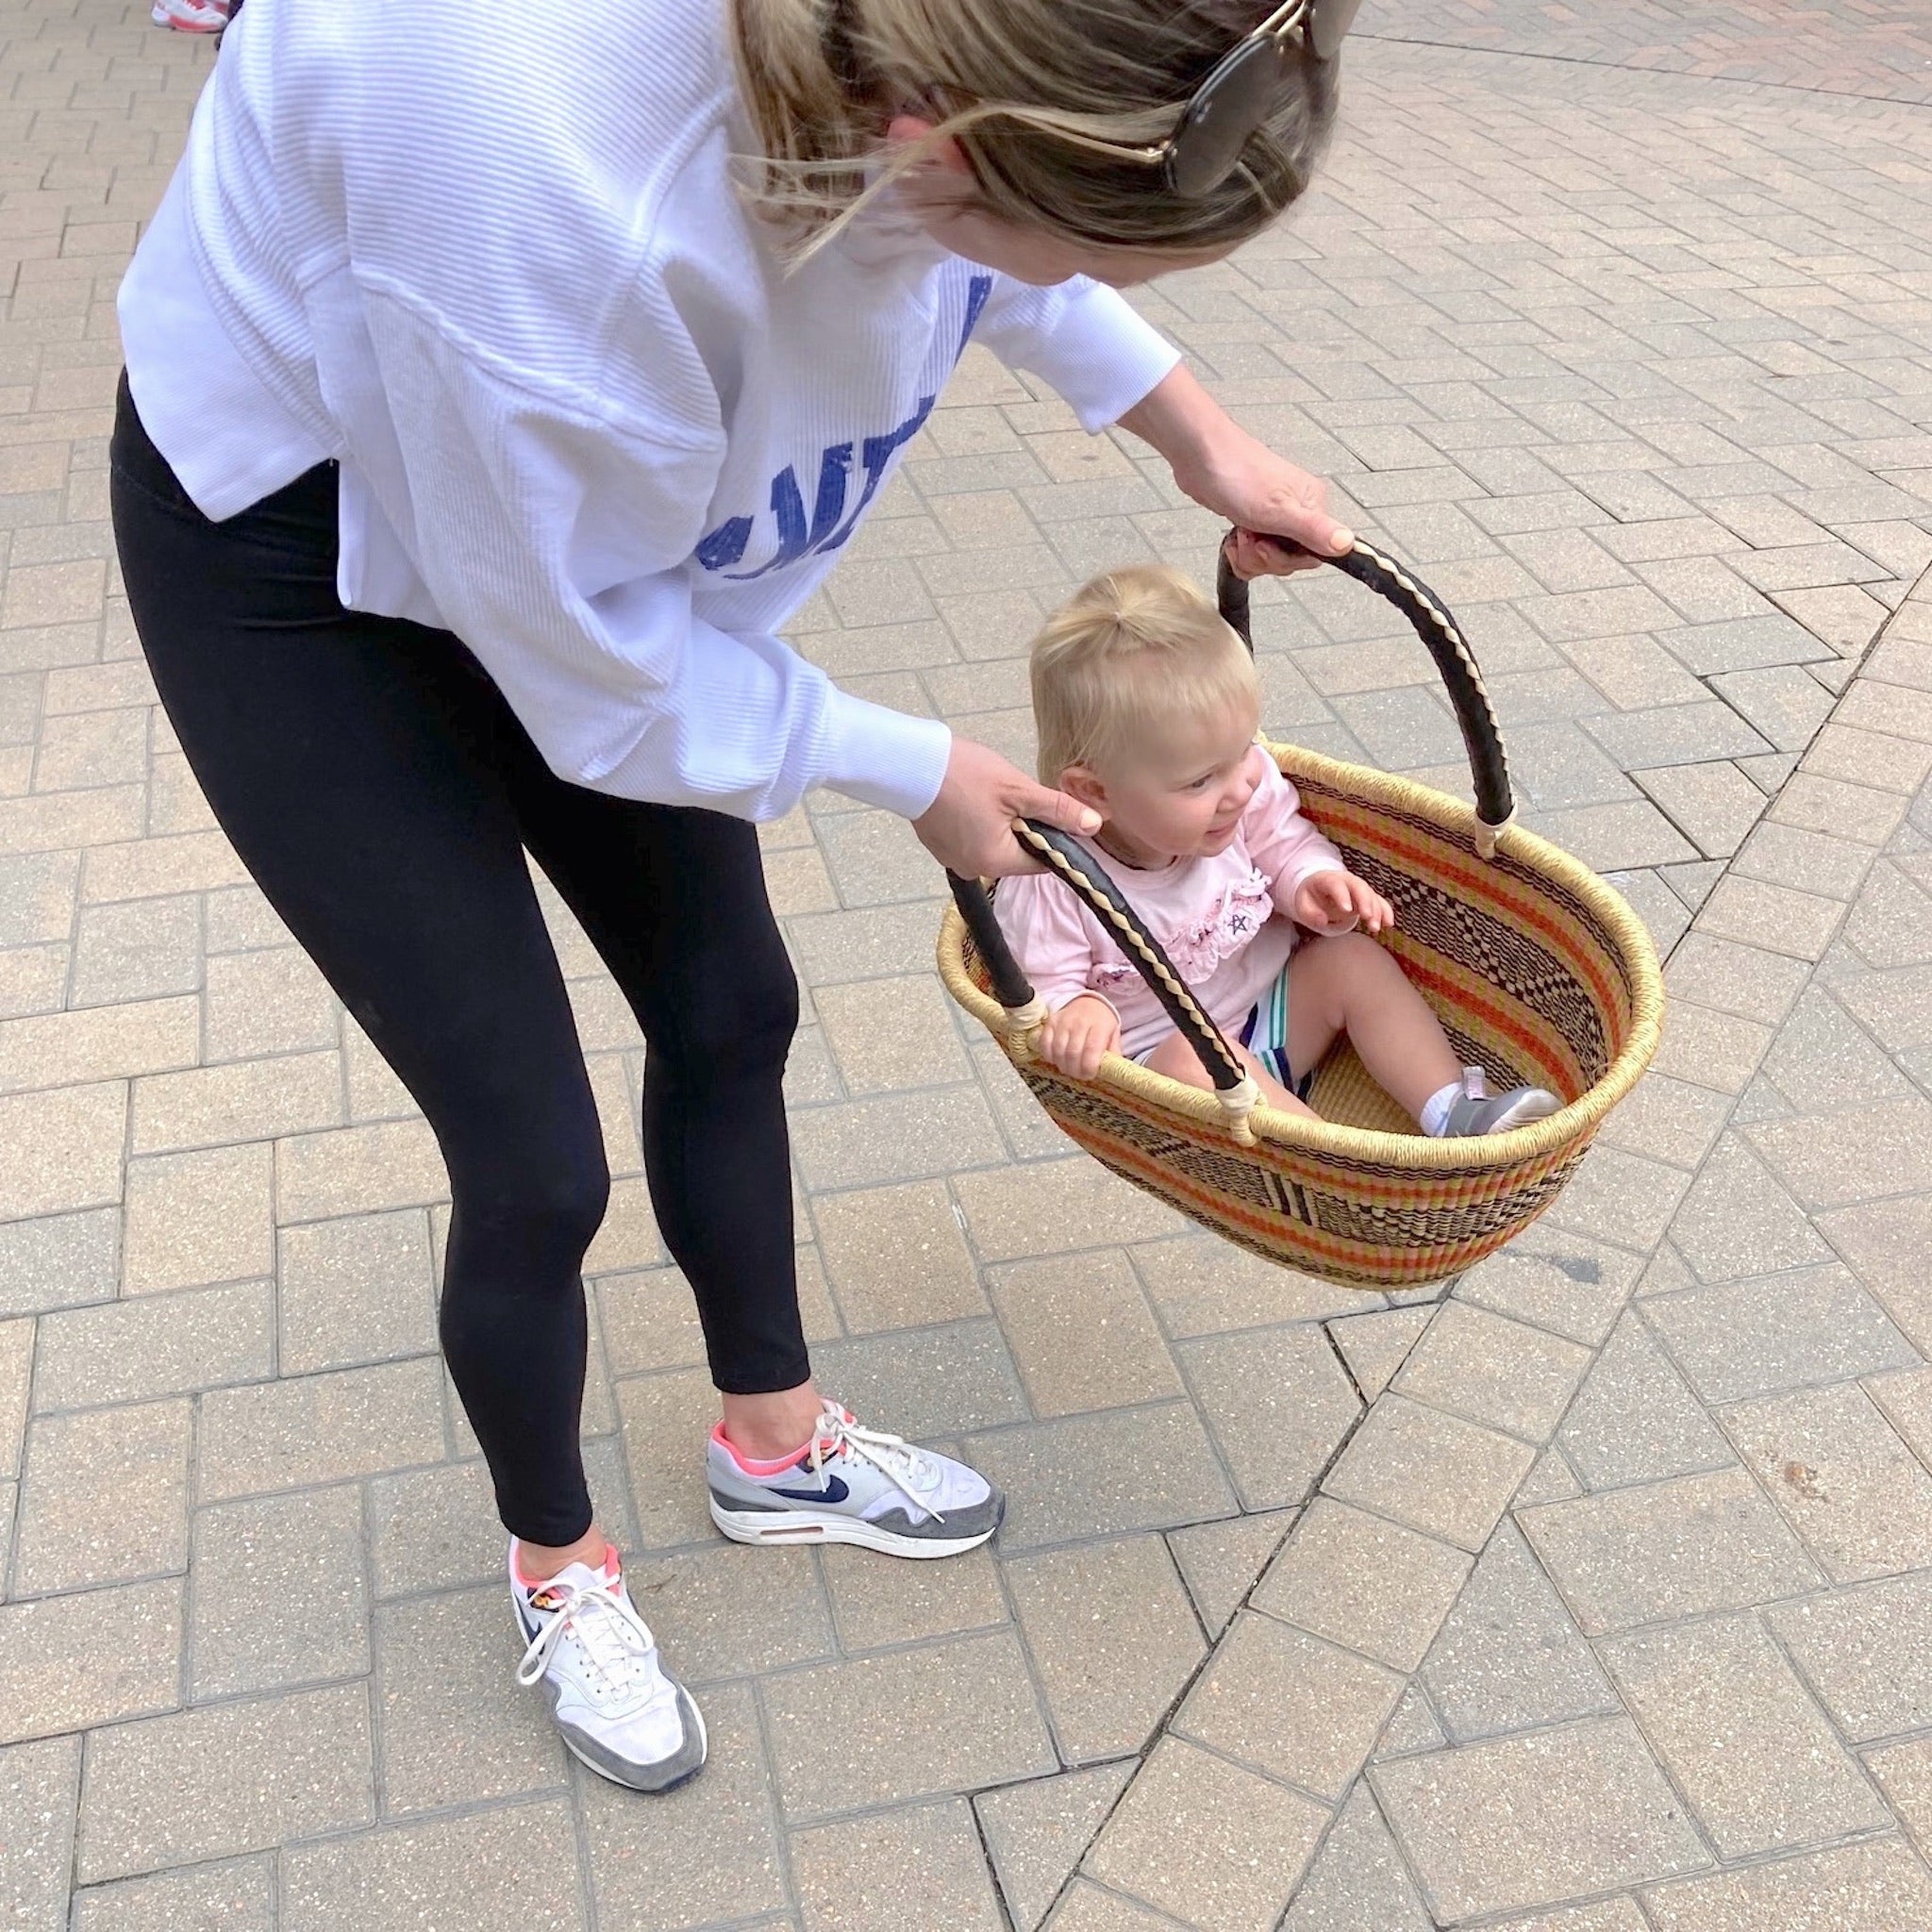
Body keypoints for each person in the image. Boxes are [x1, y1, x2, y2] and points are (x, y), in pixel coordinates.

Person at [111, 0, 1360, 1794]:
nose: (1048, 270)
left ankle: (771, 1447)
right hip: (295, 552)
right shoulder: (547, 190)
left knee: (728, 1005)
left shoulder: (930, 78)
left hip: (557, 518)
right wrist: (915, 768)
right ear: (932, 140)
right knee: (531, 1152)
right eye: (1056, 227)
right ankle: (558, 1560)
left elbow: (1005, 260)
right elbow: (596, 676)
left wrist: (1196, 435)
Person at [997, 566, 1563, 1133]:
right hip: (1174, 1080)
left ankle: (1451, 1108)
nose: (1240, 786)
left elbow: (1282, 841)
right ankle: (1338, 1165)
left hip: (1274, 1015)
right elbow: (1039, 987)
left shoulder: (1243, 789)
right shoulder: (1053, 878)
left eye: (1243, 749)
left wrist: (1310, 879)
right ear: (1096, 792)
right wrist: (1078, 1010)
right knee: (1194, 1057)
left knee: (1353, 959)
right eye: (1200, 781)